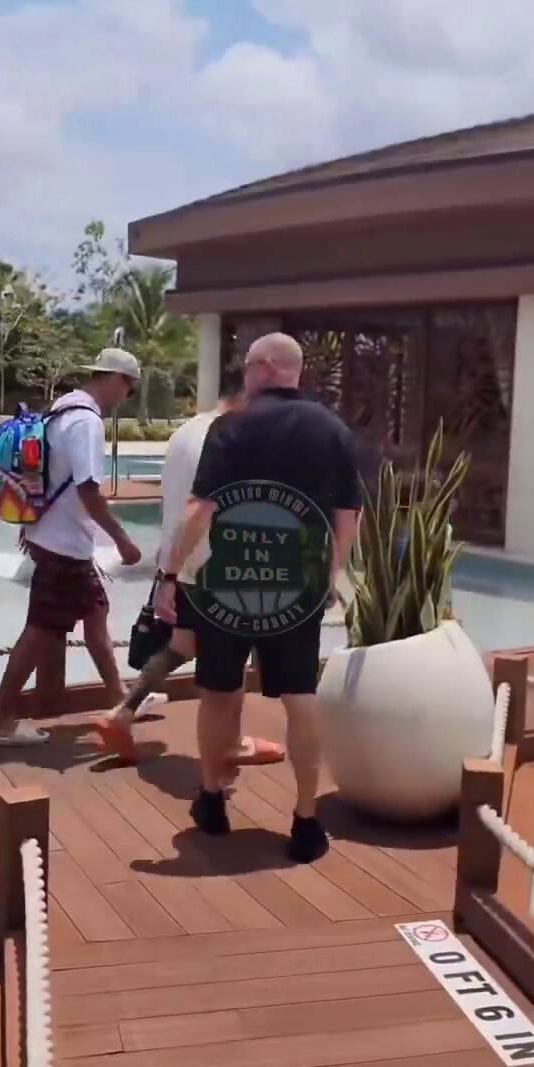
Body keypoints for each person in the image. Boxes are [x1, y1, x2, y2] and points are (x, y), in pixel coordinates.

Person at [155, 332, 361, 862]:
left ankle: (212, 798)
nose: (243, 375)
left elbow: (200, 508)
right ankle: (306, 819)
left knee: (218, 690)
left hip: (226, 580)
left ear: (266, 367)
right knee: (299, 696)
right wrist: (328, 575)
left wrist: (170, 574)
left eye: (247, 366)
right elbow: (347, 516)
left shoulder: (232, 426)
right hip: (297, 583)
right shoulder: (333, 430)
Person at [99, 368, 285, 773]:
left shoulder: (185, 431)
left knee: (182, 645)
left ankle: (123, 711)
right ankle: (231, 743)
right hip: (218, 565)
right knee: (229, 654)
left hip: (178, 563)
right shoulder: (231, 436)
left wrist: (169, 569)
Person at [0, 348, 142, 744]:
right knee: (40, 630)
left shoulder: (58, 412)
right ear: (117, 380)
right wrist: (122, 539)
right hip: (64, 545)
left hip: (51, 537)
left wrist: (30, 523)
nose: (126, 397)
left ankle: (120, 700)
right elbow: (87, 488)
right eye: (130, 389)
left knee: (96, 612)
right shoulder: (86, 422)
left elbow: (44, 478)